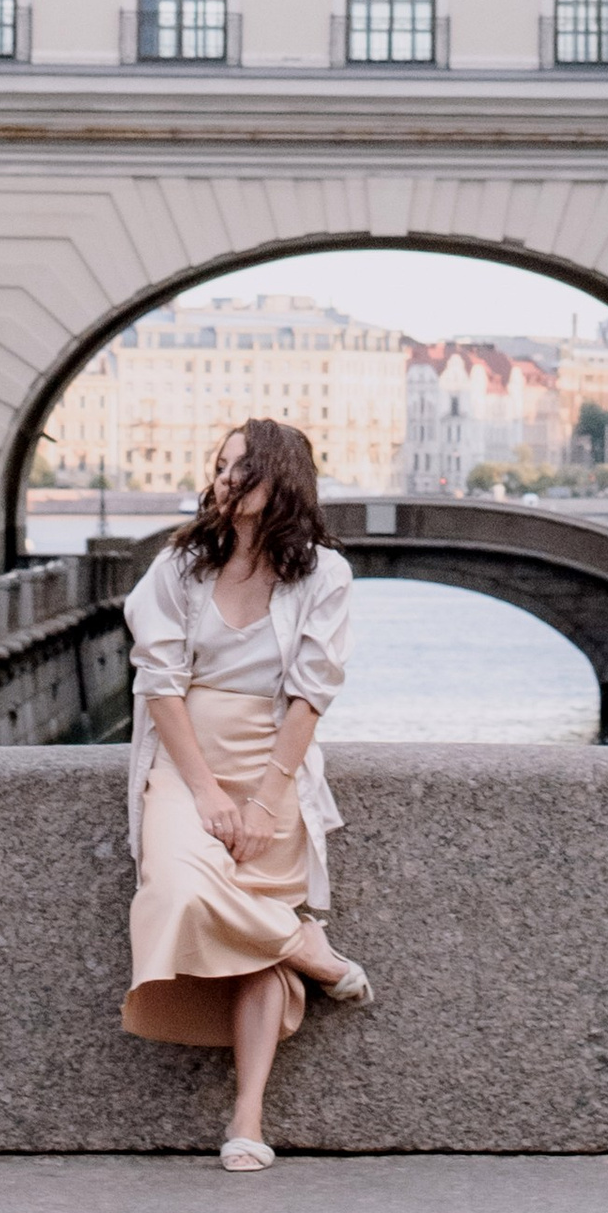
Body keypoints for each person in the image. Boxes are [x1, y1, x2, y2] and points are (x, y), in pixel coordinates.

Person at [121, 415, 373, 1168]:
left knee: (252, 954)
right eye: (223, 465)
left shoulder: (324, 573)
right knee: (179, 889)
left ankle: (248, 1118)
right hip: (186, 762)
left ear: (282, 477)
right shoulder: (181, 565)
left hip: (273, 764)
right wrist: (205, 792)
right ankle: (308, 947)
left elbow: (311, 693)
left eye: (244, 467)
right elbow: (160, 683)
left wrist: (266, 800)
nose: (228, 479)